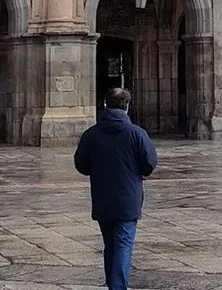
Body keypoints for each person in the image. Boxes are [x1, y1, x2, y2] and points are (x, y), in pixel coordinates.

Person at [73, 87, 158, 290]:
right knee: (123, 245)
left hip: (102, 199)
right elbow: (149, 164)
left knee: (110, 246)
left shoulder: (91, 135)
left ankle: (113, 285)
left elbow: (81, 165)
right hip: (128, 200)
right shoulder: (137, 134)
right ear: (126, 106)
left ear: (105, 104)